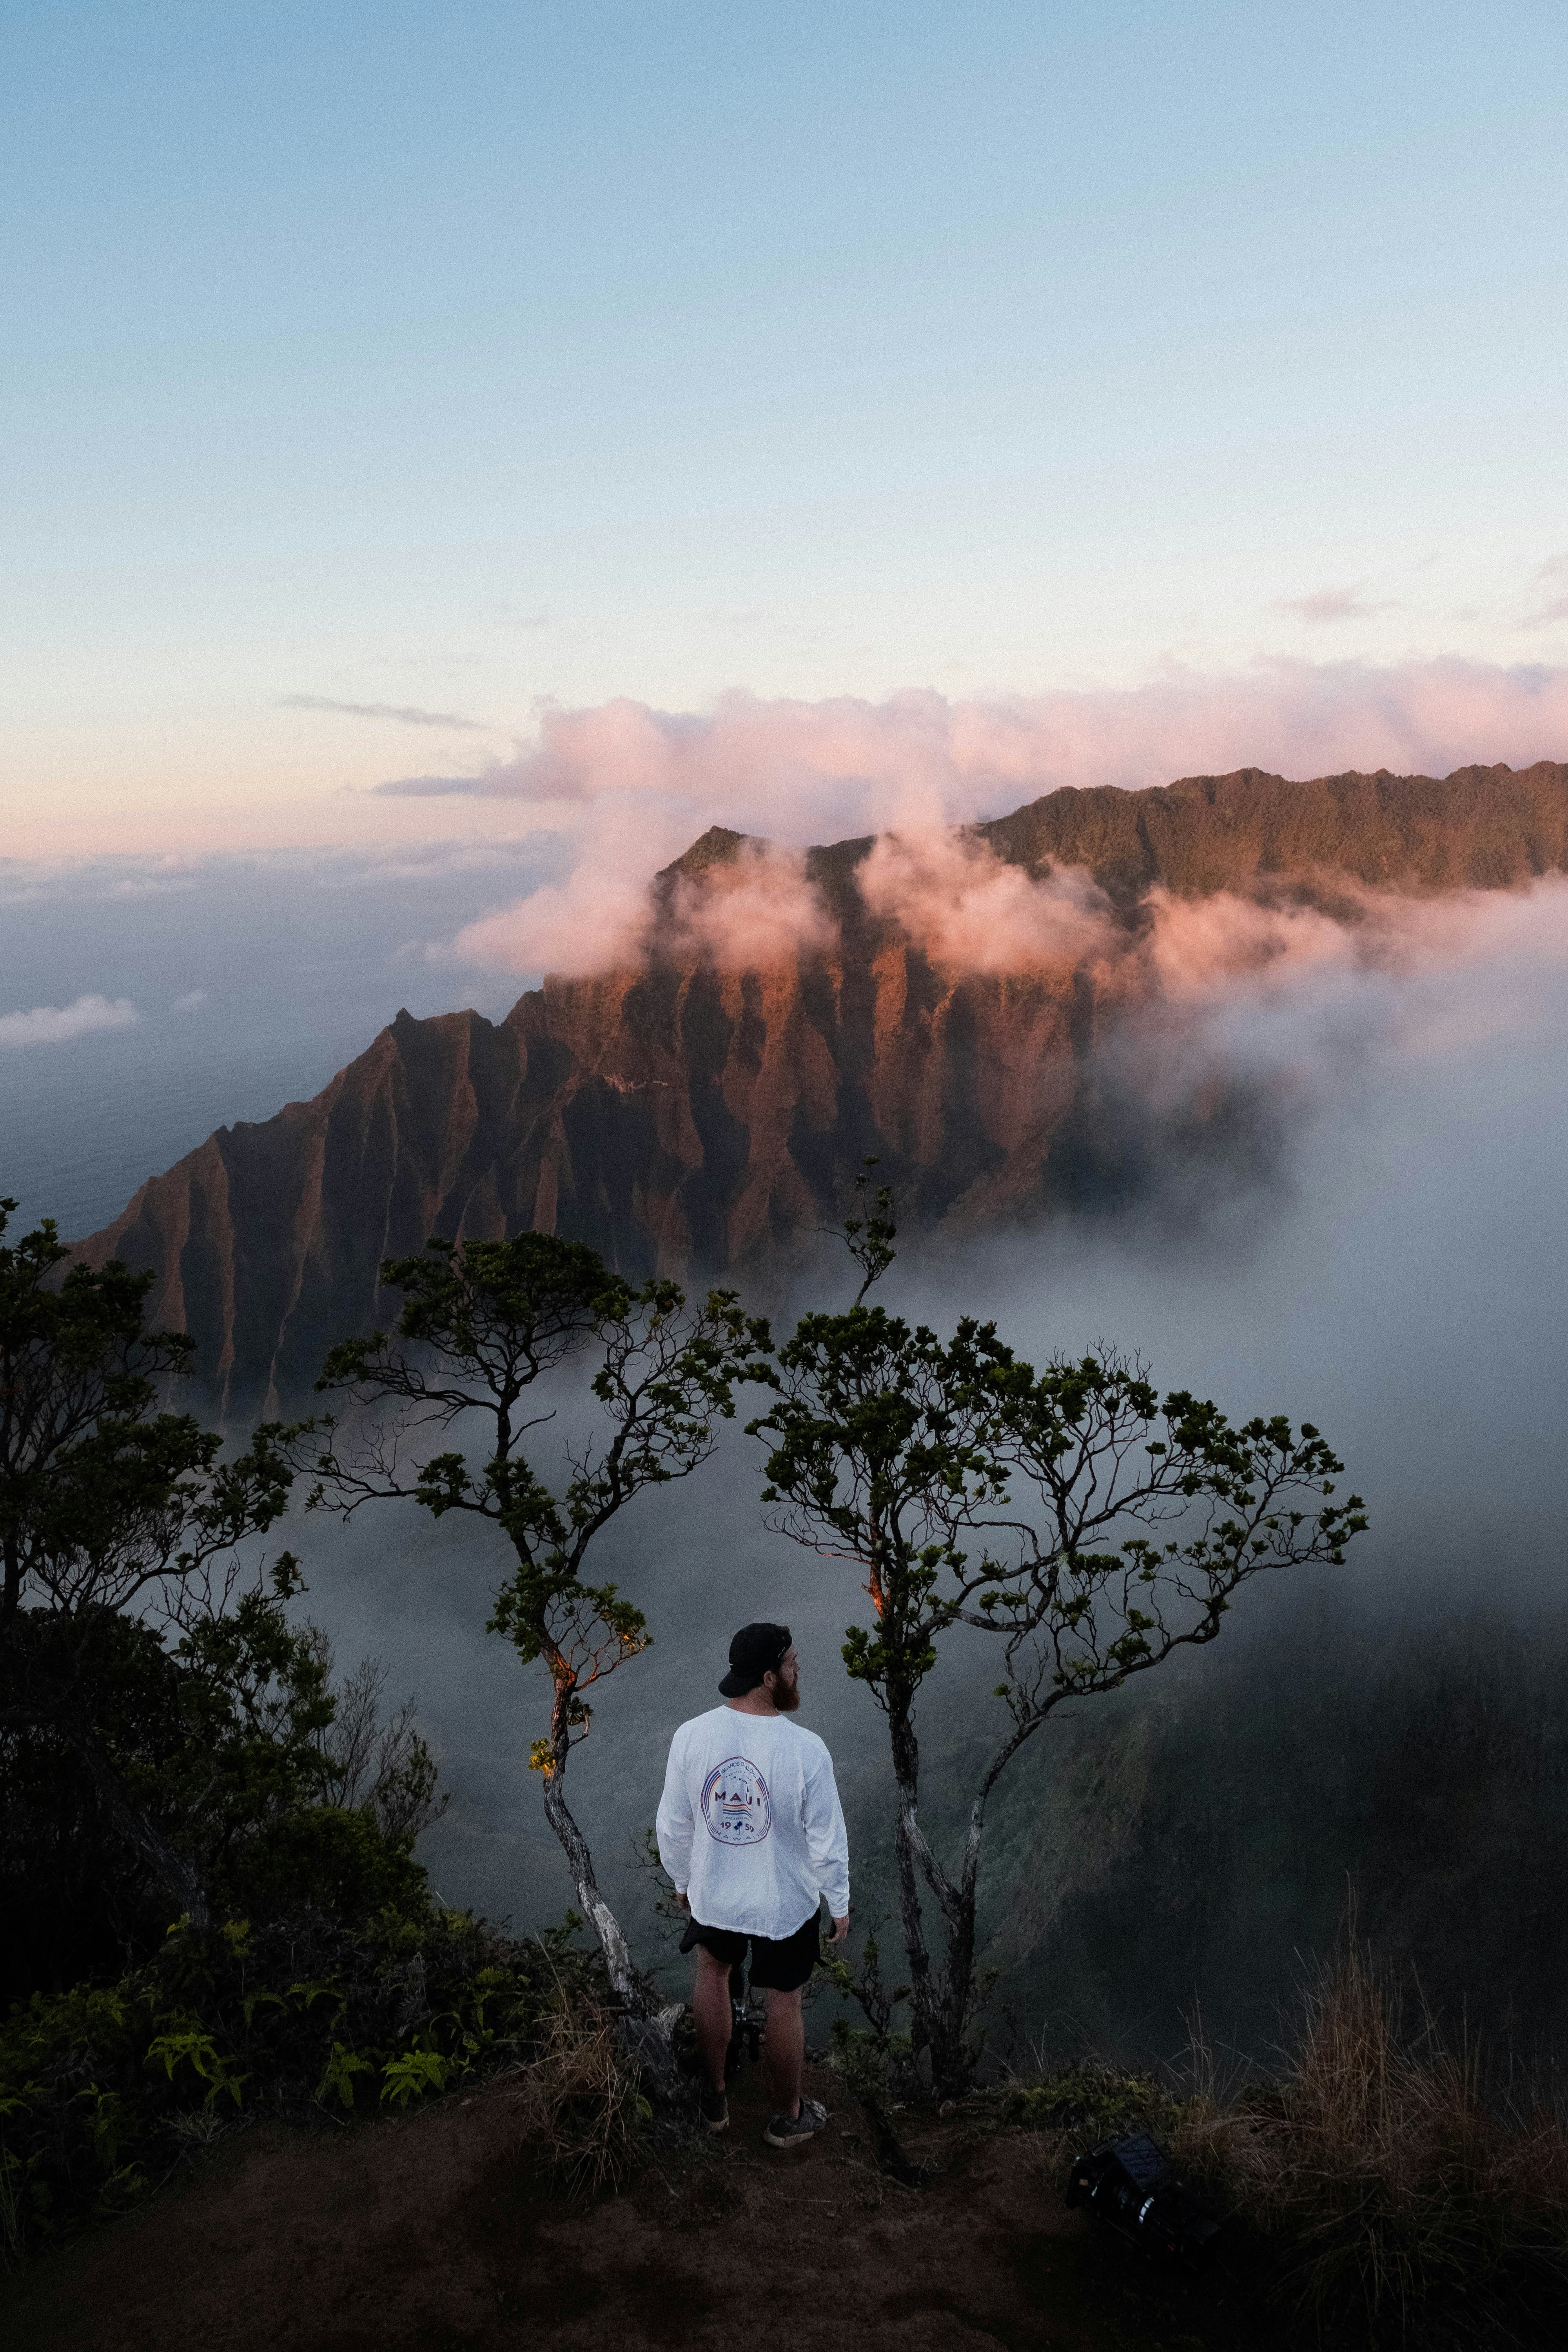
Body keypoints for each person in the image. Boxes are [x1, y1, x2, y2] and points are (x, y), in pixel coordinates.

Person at [656, 1621, 850, 2148]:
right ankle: (788, 2116)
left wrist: (683, 1881)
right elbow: (826, 1838)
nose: (798, 1670)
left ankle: (715, 2096)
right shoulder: (806, 1750)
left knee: (713, 1973)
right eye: (791, 1664)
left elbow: (673, 1823)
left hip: (714, 1891)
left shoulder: (692, 1735)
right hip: (782, 1900)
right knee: (783, 2000)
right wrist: (840, 1901)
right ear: (768, 1676)